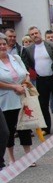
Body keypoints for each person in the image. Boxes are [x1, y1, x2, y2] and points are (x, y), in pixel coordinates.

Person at [21, 26, 53, 134]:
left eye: (36, 33)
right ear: (30, 36)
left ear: (40, 33)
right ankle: (45, 128)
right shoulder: (28, 49)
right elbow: (28, 64)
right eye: (32, 34)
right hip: (41, 79)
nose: (35, 35)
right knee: (43, 104)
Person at [0, 33, 34, 165]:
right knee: (7, 130)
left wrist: (24, 83)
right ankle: (11, 158)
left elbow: (26, 73)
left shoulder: (16, 58)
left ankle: (29, 156)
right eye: (0, 45)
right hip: (6, 100)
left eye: (4, 44)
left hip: (21, 97)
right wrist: (13, 87)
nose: (3, 46)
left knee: (25, 128)